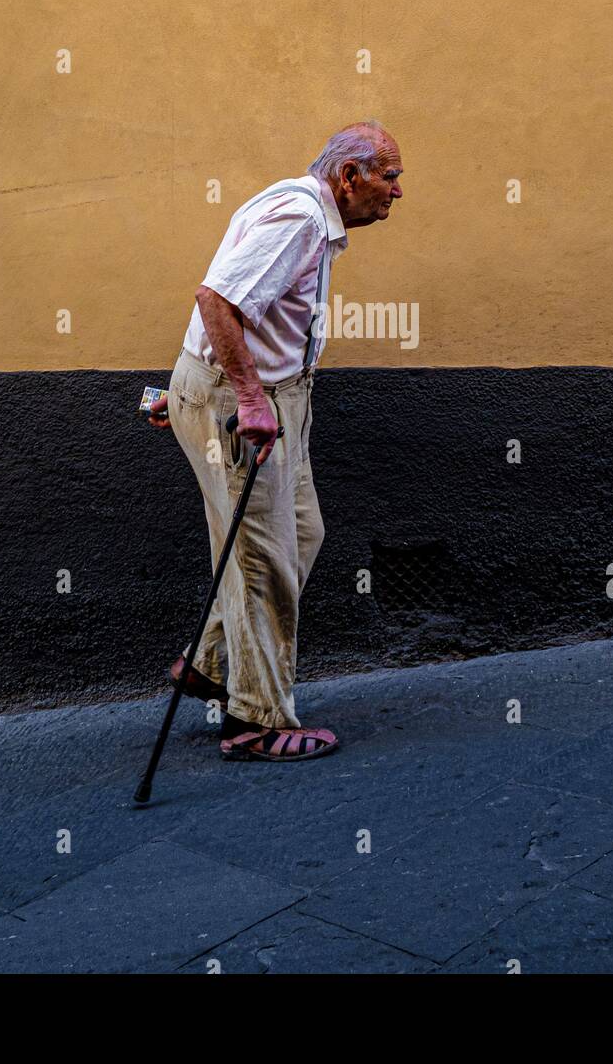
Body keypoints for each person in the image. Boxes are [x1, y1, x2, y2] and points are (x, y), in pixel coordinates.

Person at [146, 121, 404, 761]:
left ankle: (211, 661)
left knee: (301, 533)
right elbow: (216, 300)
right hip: (244, 405)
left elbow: (227, 298)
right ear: (350, 177)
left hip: (252, 395)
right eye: (390, 178)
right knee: (263, 558)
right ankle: (257, 719)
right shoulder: (300, 219)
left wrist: (189, 393)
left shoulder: (298, 208)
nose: (397, 193)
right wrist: (243, 398)